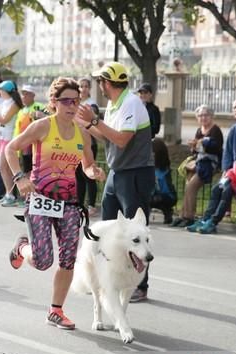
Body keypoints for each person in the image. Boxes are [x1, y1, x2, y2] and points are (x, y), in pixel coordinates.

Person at [5, 77, 105, 330]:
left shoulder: (83, 133)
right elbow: (11, 149)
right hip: (40, 199)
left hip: (69, 204)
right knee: (42, 260)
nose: (72, 106)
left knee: (68, 259)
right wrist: (19, 177)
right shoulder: (42, 127)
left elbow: (87, 166)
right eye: (66, 101)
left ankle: (56, 311)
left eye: (76, 101)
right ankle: (21, 248)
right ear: (54, 102)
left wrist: (95, 173)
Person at [76, 61, 155, 303]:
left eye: (101, 81)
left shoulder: (131, 102)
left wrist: (95, 122)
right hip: (118, 172)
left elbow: (121, 140)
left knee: (134, 231)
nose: (99, 85)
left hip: (136, 173)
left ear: (106, 83)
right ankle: (105, 279)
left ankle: (140, 285)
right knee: (109, 228)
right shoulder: (114, 104)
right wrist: (89, 124)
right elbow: (109, 138)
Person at [187, 98, 236, 234]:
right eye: (234, 108)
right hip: (232, 170)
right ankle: (205, 219)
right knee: (217, 190)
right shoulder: (234, 128)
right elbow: (227, 151)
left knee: (227, 192)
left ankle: (213, 222)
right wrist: (226, 169)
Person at [171, 104, 223, 228]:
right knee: (187, 186)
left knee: (191, 187)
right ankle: (183, 215)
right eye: (200, 115)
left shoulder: (215, 130)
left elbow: (216, 148)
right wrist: (194, 146)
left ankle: (189, 217)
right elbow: (196, 150)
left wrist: (202, 144)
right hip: (198, 162)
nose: (203, 118)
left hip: (210, 164)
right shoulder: (199, 130)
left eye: (206, 115)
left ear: (211, 116)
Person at [76, 77, 99, 216]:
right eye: (81, 86)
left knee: (89, 173)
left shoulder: (91, 105)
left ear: (89, 88)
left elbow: (95, 122)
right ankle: (79, 204)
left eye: (86, 86)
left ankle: (91, 204)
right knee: (78, 175)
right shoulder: (75, 103)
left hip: (89, 143)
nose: (83, 89)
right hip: (76, 143)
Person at [150, 137, 176, 224]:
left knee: (149, 198)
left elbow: (164, 188)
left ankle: (167, 212)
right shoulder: (151, 167)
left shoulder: (163, 171)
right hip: (156, 194)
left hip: (166, 196)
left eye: (153, 153)